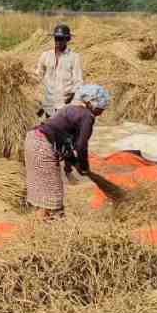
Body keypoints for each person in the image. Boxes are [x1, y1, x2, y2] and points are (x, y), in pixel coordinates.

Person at [23, 84, 110, 219]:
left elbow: (67, 145)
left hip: (32, 140)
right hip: (43, 145)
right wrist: (85, 167)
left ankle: (42, 223)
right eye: (101, 107)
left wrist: (72, 164)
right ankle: (53, 229)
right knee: (54, 197)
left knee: (44, 192)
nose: (102, 110)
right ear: (91, 103)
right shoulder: (87, 116)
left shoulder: (70, 109)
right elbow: (81, 146)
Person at [35, 24, 83, 119]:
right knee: (49, 130)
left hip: (64, 104)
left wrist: (71, 97)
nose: (58, 41)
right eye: (56, 38)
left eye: (61, 39)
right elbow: (38, 75)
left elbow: (78, 81)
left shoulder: (74, 57)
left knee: (63, 131)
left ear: (67, 39)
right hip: (48, 103)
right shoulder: (46, 55)